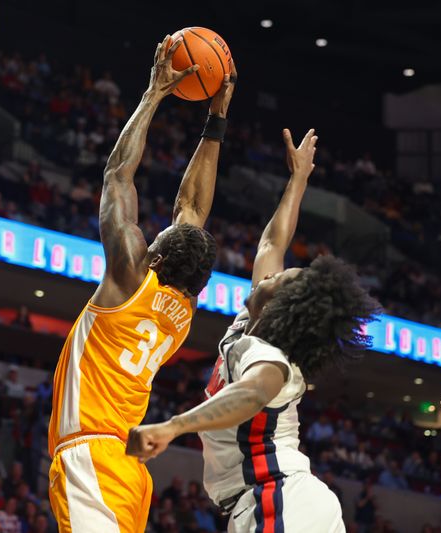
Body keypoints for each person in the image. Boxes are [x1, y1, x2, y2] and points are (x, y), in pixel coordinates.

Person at [127, 129, 382, 533]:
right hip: (275, 503)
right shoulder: (251, 326)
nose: (276, 273)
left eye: (287, 278)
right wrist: (299, 179)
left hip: (278, 498)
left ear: (286, 308)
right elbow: (270, 243)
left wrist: (173, 426)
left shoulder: (271, 357)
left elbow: (252, 392)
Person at [47, 35, 234, 533]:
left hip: (92, 454)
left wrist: (154, 94)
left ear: (154, 254)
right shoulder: (182, 311)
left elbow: (116, 177)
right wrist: (214, 123)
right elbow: (193, 211)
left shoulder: (131, 279)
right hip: (130, 472)